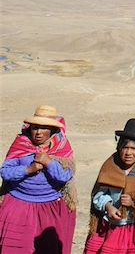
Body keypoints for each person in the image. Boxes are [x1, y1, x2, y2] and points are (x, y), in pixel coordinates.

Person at [0, 105, 77, 253]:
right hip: (18, 204)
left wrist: (49, 162)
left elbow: (65, 176)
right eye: (35, 128)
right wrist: (28, 169)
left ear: (53, 130)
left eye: (44, 128)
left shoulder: (62, 147)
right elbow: (5, 172)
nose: (38, 132)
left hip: (50, 207)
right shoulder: (21, 143)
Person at [84, 118, 135, 254]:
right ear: (119, 147)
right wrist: (108, 206)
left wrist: (134, 204)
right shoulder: (110, 166)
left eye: (134, 148)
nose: (128, 153)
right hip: (108, 227)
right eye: (125, 147)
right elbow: (99, 194)